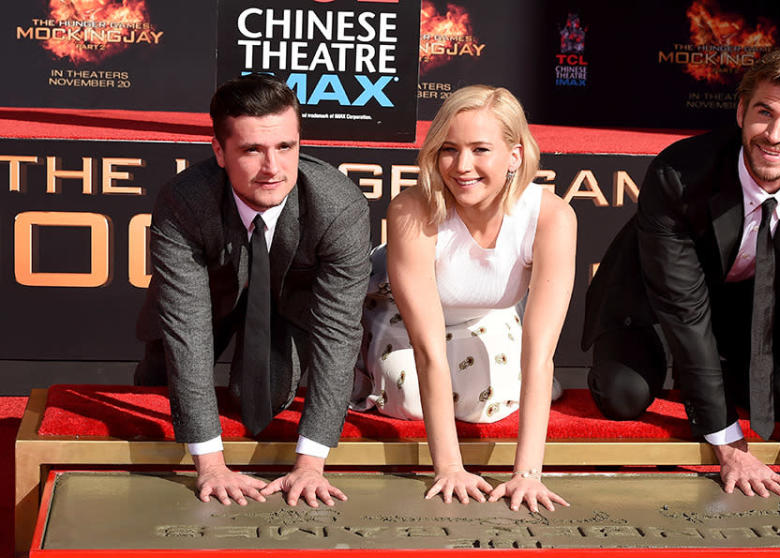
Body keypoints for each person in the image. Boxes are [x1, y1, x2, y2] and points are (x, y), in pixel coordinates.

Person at [583, 48, 780, 507]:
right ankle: (682, 380)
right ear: (740, 111)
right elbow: (683, 310)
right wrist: (730, 447)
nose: (774, 135)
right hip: (651, 300)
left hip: (740, 298)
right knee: (623, 396)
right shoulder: (678, 172)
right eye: (764, 113)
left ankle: (709, 380)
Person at [135, 74, 371, 508]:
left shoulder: (340, 207)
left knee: (260, 403)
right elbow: (187, 330)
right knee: (158, 386)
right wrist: (210, 465)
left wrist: (311, 464)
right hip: (207, 295)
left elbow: (339, 335)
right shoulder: (183, 201)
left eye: (286, 147)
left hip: (288, 306)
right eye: (251, 150)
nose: (273, 168)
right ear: (219, 152)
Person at [353, 85, 577, 512]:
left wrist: (527, 475)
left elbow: (541, 351)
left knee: (488, 403)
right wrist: (449, 468)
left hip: (488, 318)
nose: (462, 166)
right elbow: (428, 347)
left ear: (514, 155)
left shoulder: (551, 217)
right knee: (412, 399)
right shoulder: (412, 210)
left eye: (480, 149)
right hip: (400, 321)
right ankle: (367, 366)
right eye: (449, 149)